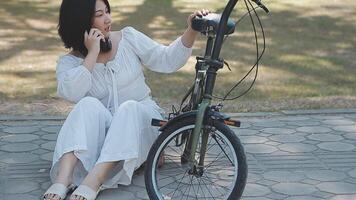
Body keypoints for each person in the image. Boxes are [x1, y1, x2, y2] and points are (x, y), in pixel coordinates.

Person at [42, 0, 209, 199]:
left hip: (141, 121)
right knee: (87, 104)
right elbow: (72, 93)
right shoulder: (69, 62)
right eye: (99, 14)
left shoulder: (128, 38)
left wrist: (191, 30)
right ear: (80, 21)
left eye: (107, 12)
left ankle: (94, 182)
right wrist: (92, 54)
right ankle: (63, 179)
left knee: (128, 108)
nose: (108, 19)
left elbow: (167, 60)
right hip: (105, 137)